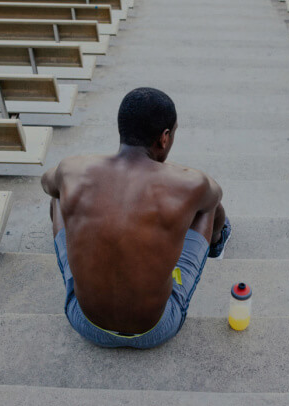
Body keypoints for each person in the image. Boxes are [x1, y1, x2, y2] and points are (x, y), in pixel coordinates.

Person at [41, 87, 231, 349]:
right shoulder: (190, 184)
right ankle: (218, 244)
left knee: (59, 193)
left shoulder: (72, 169)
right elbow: (214, 196)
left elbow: (47, 184)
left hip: (84, 322)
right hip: (155, 329)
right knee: (208, 204)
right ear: (164, 138)